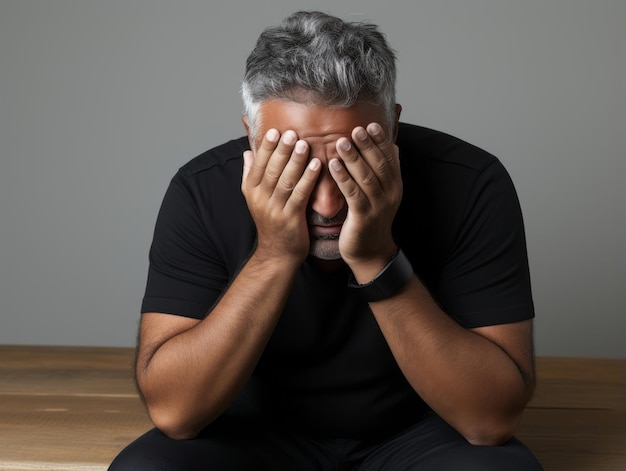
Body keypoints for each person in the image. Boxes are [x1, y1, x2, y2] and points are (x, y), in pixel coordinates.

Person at [109, 10, 543, 471]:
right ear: (251, 138)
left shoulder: (471, 183)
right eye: (295, 166)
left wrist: (377, 258)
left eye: (352, 162)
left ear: (392, 128)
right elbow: (176, 414)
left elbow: (491, 420)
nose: (328, 205)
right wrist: (274, 254)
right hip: (250, 434)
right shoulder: (199, 191)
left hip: (423, 432)